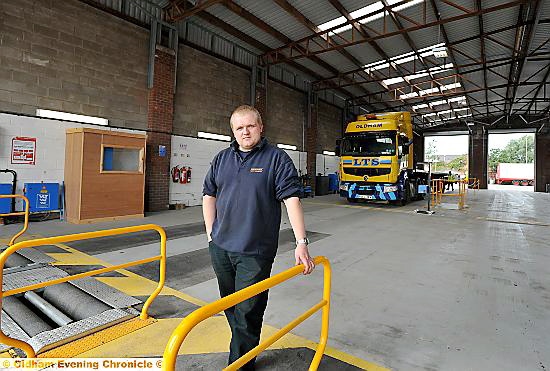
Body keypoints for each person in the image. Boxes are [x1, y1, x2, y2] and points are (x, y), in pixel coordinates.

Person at [202, 105, 315, 370]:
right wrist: (210, 235)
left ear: (260, 127)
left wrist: (301, 242)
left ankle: (239, 365)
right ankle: (244, 348)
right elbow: (209, 194)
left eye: (250, 126)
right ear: (233, 131)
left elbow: (291, 199)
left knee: (248, 311)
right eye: (239, 128)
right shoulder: (221, 159)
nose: (245, 132)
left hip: (255, 251)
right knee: (231, 305)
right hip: (221, 248)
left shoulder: (276, 159)